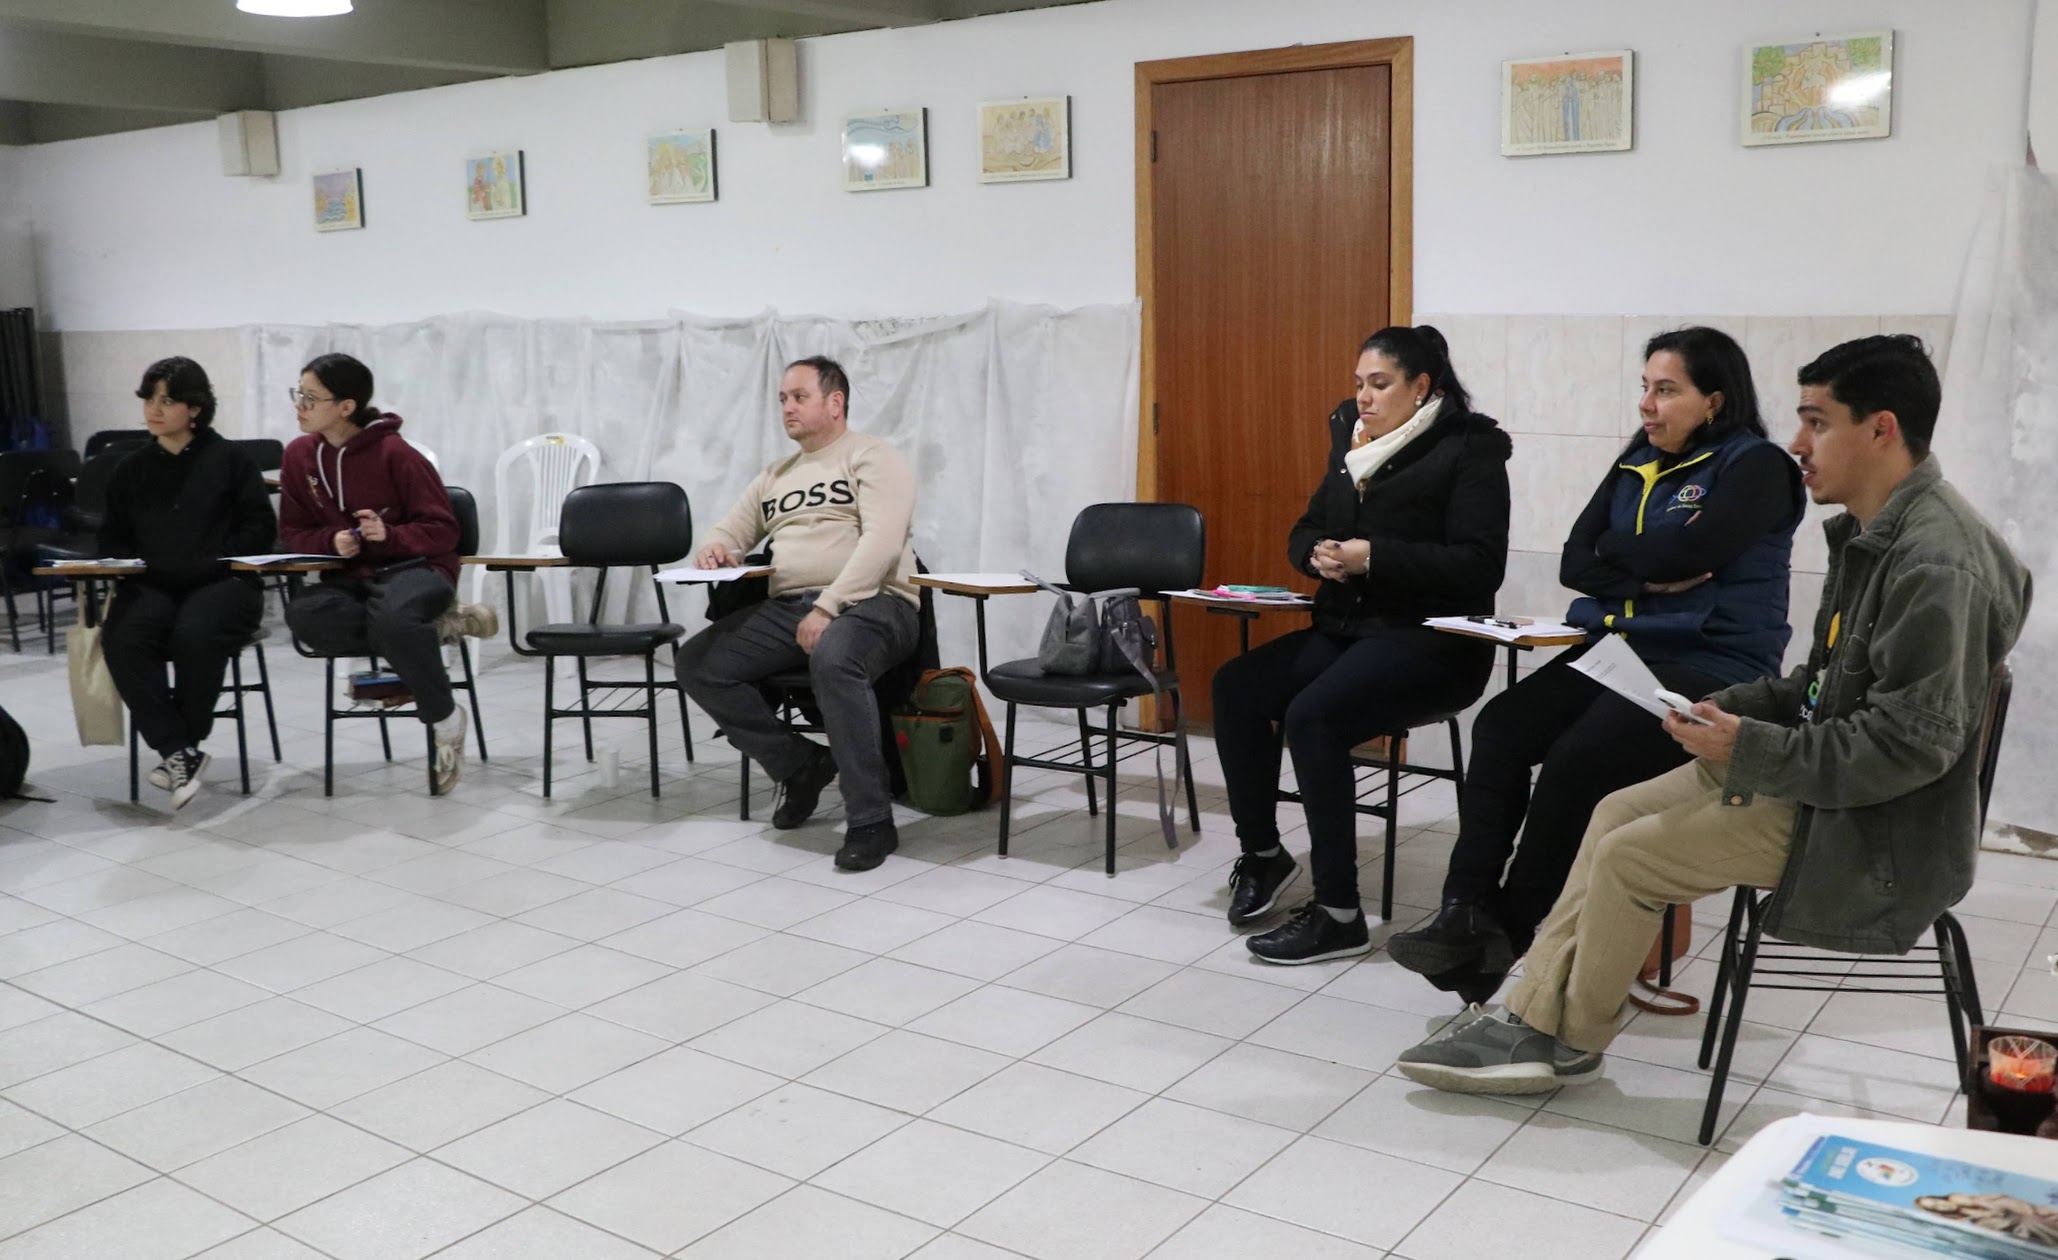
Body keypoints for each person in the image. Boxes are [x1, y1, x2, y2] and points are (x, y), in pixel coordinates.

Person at [1396, 335, 2030, 1094]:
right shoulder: (1878, 534)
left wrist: (1751, 747)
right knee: (1613, 812)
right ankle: (1528, 1007)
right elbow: (1822, 686)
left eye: (1816, 422)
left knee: (1630, 856)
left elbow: (1907, 748)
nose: (1797, 443)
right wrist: (1728, 710)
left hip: (1874, 827)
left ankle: (1561, 1038)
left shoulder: (1934, 562)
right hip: (1828, 785)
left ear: (1880, 429)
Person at [1387, 327, 1806, 1003]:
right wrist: (1642, 565)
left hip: (1712, 661)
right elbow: (1575, 561)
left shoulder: (1756, 466)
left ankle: (1509, 931)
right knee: (1501, 726)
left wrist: (1621, 556)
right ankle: (1464, 908)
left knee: (1579, 759)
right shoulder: (1639, 459)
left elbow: (1685, 555)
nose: (1646, 404)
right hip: (1623, 647)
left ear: (1714, 400)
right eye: (1645, 387)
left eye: (1665, 390)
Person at [1214, 325, 1513, 963]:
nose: (1364, 397)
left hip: (1432, 640)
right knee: (1236, 687)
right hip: (1350, 627)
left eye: (1380, 384)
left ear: (1421, 387)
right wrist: (1316, 555)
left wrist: (1374, 557)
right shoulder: (1351, 438)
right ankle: (1264, 856)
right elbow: (1307, 526)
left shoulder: (1469, 448)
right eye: (1359, 383)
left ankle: (1339, 914)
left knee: (1312, 716)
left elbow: (1479, 566)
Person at [676, 355, 919, 873]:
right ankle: (800, 764)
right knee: (698, 663)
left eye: (799, 397)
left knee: (833, 657)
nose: (787, 407)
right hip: (792, 607)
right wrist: (716, 547)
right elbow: (731, 530)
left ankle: (872, 821)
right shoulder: (775, 475)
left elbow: (881, 544)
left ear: (835, 402)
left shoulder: (874, 457)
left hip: (877, 603)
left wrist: (829, 606)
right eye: (783, 399)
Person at [276, 353, 468, 793]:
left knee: (396, 616)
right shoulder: (299, 456)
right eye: (298, 394)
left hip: (417, 567)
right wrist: (331, 541)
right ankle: (425, 641)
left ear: (346, 406)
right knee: (306, 616)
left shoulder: (397, 454)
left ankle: (445, 719)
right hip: (353, 577)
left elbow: (443, 530)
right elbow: (292, 530)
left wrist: (390, 534)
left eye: (311, 397)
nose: (299, 405)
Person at [97, 357, 277, 808]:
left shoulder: (232, 460)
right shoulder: (130, 469)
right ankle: (178, 752)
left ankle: (180, 748)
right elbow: (113, 538)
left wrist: (207, 561)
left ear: (195, 408)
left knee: (196, 633)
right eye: (149, 400)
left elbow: (259, 529)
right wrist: (129, 563)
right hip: (153, 584)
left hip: (223, 582)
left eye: (167, 401)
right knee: (124, 637)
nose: (153, 410)